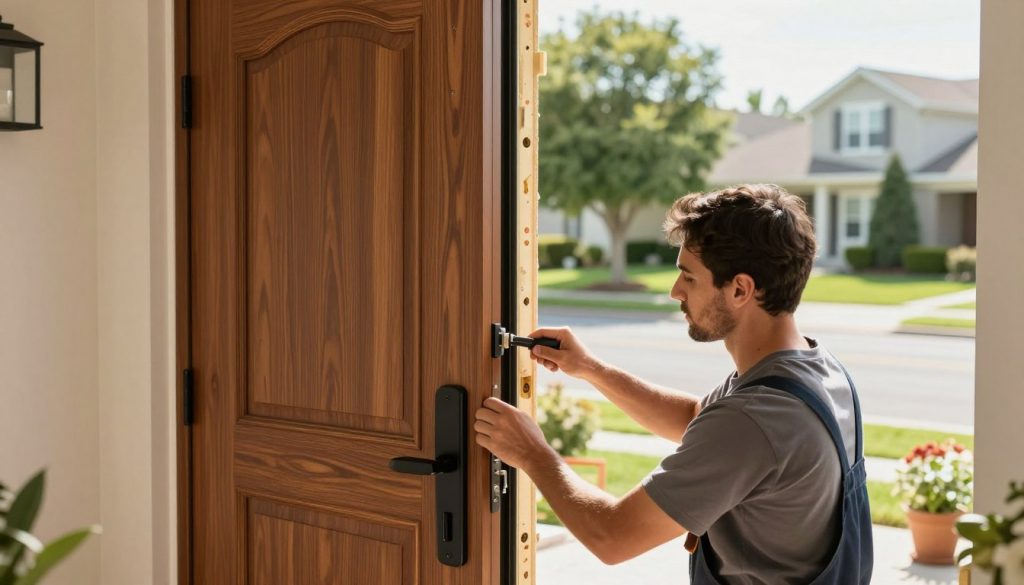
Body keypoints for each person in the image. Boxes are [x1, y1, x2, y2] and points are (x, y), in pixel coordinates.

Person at [474, 184, 872, 584]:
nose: (675, 291)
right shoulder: (816, 369)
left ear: (740, 289)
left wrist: (532, 453)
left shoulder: (756, 420)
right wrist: (590, 368)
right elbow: (698, 419)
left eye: (688, 277)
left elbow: (612, 536)